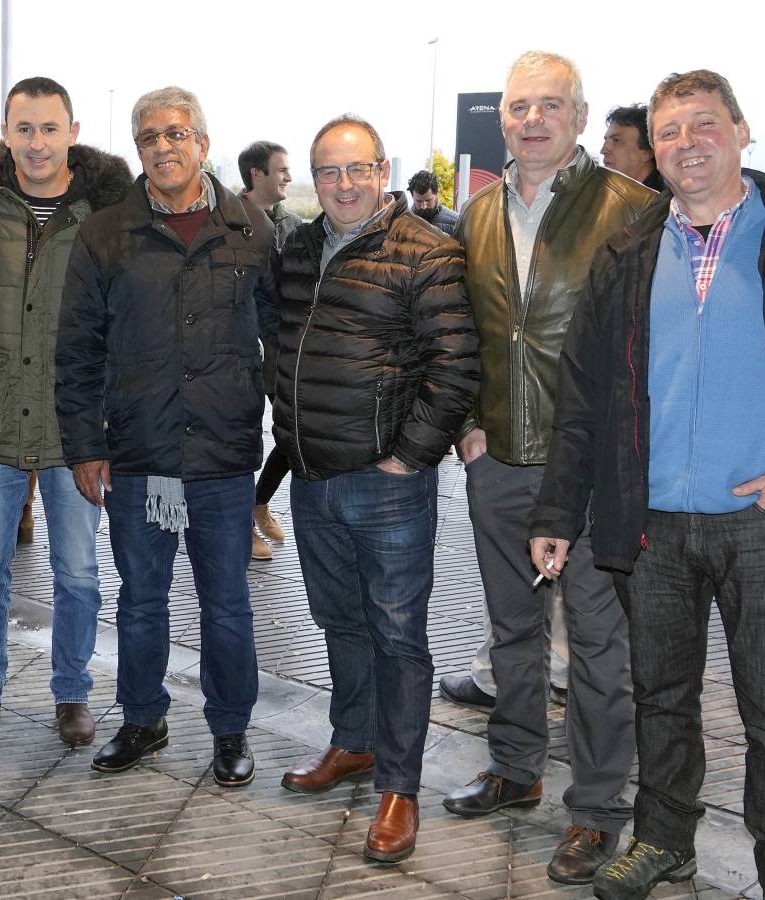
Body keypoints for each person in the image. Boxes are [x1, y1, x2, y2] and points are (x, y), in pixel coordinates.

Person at [531, 69, 765, 900]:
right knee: (661, 697)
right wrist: (560, 507)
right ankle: (665, 840)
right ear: (652, 151)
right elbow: (584, 393)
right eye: (669, 132)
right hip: (653, 524)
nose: (686, 144)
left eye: (704, 125)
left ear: (741, 130)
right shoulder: (627, 252)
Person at [440, 50, 654, 887]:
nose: (533, 119)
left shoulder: (634, 210)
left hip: (597, 471)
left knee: (601, 647)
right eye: (518, 106)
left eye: (550, 105)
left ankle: (598, 812)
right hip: (500, 462)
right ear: (503, 117)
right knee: (512, 635)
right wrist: (466, 424)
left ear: (579, 114)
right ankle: (515, 768)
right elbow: (456, 332)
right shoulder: (476, 214)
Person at [56, 85, 276, 787]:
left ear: (203, 144)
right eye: (149, 137)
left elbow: (288, 334)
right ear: (139, 149)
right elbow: (78, 348)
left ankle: (231, 730)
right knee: (141, 600)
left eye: (176, 134)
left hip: (221, 455)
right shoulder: (106, 233)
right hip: (140, 455)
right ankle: (143, 719)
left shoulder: (254, 230)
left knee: (228, 603)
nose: (163, 147)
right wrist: (85, 446)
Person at [273, 114, 477, 863]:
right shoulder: (297, 249)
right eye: (329, 171)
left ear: (383, 169)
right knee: (341, 624)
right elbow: (284, 345)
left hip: (387, 485)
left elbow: (455, 366)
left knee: (397, 638)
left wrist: (409, 457)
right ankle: (352, 744)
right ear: (312, 179)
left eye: (357, 169)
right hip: (314, 477)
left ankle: (399, 784)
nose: (344, 184)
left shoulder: (425, 251)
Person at [0, 77, 131, 749]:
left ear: (72, 132)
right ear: (6, 132)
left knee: (77, 573)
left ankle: (72, 693)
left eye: (50, 128)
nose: (38, 143)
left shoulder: (109, 219)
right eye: (24, 129)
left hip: (75, 429)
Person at [237, 139, 300, 561]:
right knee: (240, 442)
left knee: (292, 434)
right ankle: (242, 525)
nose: (288, 178)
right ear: (257, 174)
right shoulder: (229, 220)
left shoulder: (293, 223)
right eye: (280, 170)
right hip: (240, 351)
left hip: (287, 347)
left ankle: (258, 502)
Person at [601, 104, 664, 191]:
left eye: (616, 140)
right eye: (605, 140)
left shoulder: (667, 202)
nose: (603, 150)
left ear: (647, 153)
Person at [406, 169, 459, 235]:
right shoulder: (403, 221)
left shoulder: (456, 222)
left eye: (428, 200)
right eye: (419, 201)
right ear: (412, 197)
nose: (423, 206)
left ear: (437, 194)